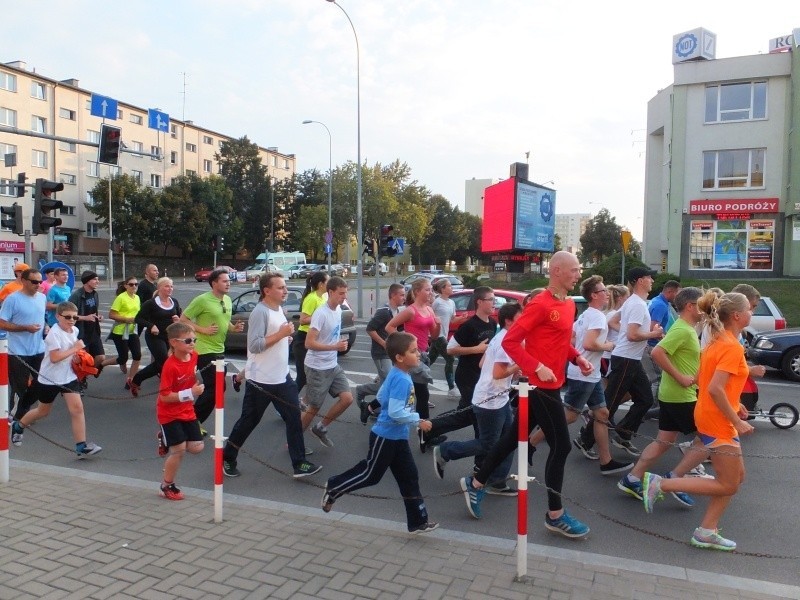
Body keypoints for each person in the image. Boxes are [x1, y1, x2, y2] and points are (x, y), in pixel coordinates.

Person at [460, 251, 593, 538]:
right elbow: (510, 341)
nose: (578, 275)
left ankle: (476, 483)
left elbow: (558, 342)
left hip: (551, 384)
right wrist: (537, 366)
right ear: (556, 271)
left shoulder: (569, 305)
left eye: (578, 270)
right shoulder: (541, 304)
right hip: (540, 387)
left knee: (511, 439)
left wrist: (577, 359)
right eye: (574, 270)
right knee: (562, 447)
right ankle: (555, 515)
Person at [641, 291, 758, 552]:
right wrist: (736, 421)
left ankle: (707, 530)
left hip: (711, 414)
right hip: (716, 420)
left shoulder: (718, 341)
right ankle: (662, 483)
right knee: (728, 482)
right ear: (737, 316)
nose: (752, 312)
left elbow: (709, 383)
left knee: (736, 478)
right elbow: (715, 389)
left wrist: (736, 406)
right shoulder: (730, 346)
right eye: (750, 309)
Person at [321, 331, 439, 534]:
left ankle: (418, 521)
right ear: (399, 358)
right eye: (413, 351)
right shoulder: (402, 379)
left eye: (417, 349)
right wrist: (418, 421)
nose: (418, 353)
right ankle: (334, 487)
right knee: (370, 475)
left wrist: (371, 406)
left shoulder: (399, 373)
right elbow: (394, 412)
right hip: (386, 437)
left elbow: (383, 394)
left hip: (397, 437)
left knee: (409, 476)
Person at [529, 275, 632, 476]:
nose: (607, 294)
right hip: (583, 374)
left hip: (589, 374)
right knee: (569, 416)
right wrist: (608, 345)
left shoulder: (586, 315)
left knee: (602, 414)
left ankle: (606, 461)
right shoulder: (597, 317)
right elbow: (588, 344)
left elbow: (573, 336)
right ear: (594, 295)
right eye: (603, 291)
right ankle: (530, 443)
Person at [222, 273, 321, 478]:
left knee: (294, 419)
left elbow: (273, 341)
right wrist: (281, 335)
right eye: (281, 288)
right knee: (249, 421)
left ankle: (299, 463)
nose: (285, 291)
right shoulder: (260, 312)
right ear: (267, 291)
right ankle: (227, 457)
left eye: (285, 287)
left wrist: (284, 340)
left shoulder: (278, 310)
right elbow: (255, 345)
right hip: (261, 380)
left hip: (282, 378)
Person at [618, 286, 707, 504]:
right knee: (709, 439)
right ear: (690, 306)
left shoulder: (687, 328)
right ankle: (675, 479)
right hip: (680, 395)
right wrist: (680, 377)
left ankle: (632, 478)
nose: (705, 309)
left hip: (676, 394)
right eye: (702, 305)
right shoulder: (683, 330)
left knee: (664, 441)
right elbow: (657, 352)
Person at [433, 302, 522, 494]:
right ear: (509, 321)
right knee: (488, 443)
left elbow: (483, 364)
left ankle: (496, 480)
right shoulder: (506, 341)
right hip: (490, 400)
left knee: (509, 439)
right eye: (520, 318)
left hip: (499, 398)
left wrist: (511, 371)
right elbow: (498, 374)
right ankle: (446, 451)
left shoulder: (502, 338)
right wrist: (518, 366)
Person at [579, 267, 664, 457]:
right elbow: (633, 335)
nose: (651, 280)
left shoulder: (634, 302)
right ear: (640, 280)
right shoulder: (637, 304)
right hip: (625, 359)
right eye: (649, 277)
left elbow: (615, 322)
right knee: (610, 403)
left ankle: (622, 434)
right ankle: (585, 440)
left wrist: (626, 332)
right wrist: (654, 334)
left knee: (645, 399)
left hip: (630, 359)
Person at [10, 301, 102, 457]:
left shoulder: (74, 330)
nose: (71, 320)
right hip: (49, 379)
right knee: (43, 411)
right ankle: (19, 426)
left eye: (74, 317)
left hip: (68, 377)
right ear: (58, 316)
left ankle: (81, 446)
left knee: (77, 409)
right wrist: (75, 349)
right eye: (67, 317)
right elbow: (54, 358)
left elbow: (71, 354)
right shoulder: (54, 333)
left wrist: (78, 358)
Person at [420, 287, 497, 454]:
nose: (494, 302)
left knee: (466, 413)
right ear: (480, 302)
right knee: (474, 414)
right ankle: (482, 454)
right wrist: (476, 349)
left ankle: (429, 428)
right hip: (467, 375)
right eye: (491, 299)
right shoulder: (469, 325)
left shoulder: (492, 323)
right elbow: (451, 349)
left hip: (482, 376)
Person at [180, 267, 244, 427]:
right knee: (216, 388)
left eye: (229, 280)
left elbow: (223, 319)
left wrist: (232, 328)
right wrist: (203, 330)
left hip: (219, 349)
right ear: (214, 283)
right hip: (204, 349)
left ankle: (192, 420)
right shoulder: (202, 300)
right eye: (224, 281)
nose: (228, 283)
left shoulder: (227, 300)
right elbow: (183, 319)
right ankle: (192, 423)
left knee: (216, 389)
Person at [301, 276, 353, 447]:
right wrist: (334, 347)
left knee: (347, 399)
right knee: (314, 407)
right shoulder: (320, 313)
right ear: (330, 292)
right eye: (341, 293)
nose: (344, 297)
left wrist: (338, 345)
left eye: (345, 293)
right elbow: (309, 343)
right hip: (317, 366)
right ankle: (295, 440)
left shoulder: (338, 310)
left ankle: (321, 427)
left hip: (332, 364)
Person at [156, 322, 205, 500]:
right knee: (179, 451)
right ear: (174, 342)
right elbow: (164, 396)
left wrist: (192, 387)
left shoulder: (194, 356)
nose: (192, 343)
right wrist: (190, 393)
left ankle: (164, 438)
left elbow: (190, 376)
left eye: (194, 340)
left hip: (186, 410)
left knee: (197, 447)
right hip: (168, 413)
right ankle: (166, 485)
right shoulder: (170, 366)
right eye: (188, 340)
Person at [386, 278, 441, 421]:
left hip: (423, 355)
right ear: (417, 292)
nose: (430, 293)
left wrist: (438, 325)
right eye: (427, 289)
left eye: (431, 289)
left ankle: (371, 407)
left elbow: (434, 335)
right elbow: (390, 327)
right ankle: (425, 431)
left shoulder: (429, 309)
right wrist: (404, 344)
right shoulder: (410, 311)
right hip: (410, 356)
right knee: (422, 393)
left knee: (409, 391)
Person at [0, 268, 46, 422]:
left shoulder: (42, 298)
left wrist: (45, 326)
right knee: (21, 387)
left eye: (40, 282)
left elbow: (39, 317)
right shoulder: (13, 299)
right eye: (34, 282)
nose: (38, 285)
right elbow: (2, 323)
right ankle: (19, 416)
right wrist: (25, 328)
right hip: (18, 351)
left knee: (44, 381)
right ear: (24, 281)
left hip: (39, 349)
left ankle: (21, 412)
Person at [356, 283, 406, 424]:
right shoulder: (384, 311)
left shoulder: (398, 312)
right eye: (401, 295)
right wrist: (383, 343)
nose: (404, 297)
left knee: (386, 383)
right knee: (389, 383)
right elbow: (370, 329)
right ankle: (362, 391)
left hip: (391, 353)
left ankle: (376, 408)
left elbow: (399, 331)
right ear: (393, 295)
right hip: (380, 353)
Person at [131, 277, 182, 395]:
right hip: (155, 336)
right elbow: (138, 318)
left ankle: (136, 380)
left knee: (161, 364)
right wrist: (151, 325)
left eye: (171, 286)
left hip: (170, 337)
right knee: (164, 361)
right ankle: (169, 390)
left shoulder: (174, 301)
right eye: (167, 286)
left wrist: (177, 320)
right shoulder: (151, 303)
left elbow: (179, 317)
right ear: (159, 288)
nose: (170, 289)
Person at [69, 271, 118, 377]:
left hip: (94, 331)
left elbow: (93, 311)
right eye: (95, 279)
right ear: (87, 281)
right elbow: (69, 316)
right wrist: (85, 318)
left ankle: (84, 375)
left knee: (100, 357)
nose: (98, 281)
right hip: (81, 333)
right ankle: (80, 380)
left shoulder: (95, 293)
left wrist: (98, 316)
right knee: (82, 360)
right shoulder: (76, 296)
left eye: (97, 279)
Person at [291, 272, 329, 402]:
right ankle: (288, 402)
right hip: (303, 340)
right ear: (321, 284)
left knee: (312, 375)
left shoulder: (323, 298)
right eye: (327, 281)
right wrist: (320, 317)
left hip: (314, 338)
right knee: (302, 375)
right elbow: (303, 320)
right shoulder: (311, 298)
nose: (329, 284)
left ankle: (304, 401)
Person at [427, 279, 466, 397]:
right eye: (449, 286)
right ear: (443, 289)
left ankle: (415, 373)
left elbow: (452, 319)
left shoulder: (451, 302)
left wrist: (462, 318)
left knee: (429, 359)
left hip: (444, 334)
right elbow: (429, 314)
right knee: (450, 359)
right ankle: (451, 387)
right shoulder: (437, 302)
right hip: (437, 335)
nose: (452, 288)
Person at [643, 280, 681, 402]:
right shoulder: (661, 305)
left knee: (655, 379)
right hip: (652, 346)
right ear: (670, 292)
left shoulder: (656, 300)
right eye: (677, 293)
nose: (678, 297)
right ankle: (651, 409)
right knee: (658, 379)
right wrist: (667, 339)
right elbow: (653, 328)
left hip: (649, 345)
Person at [109, 276, 142, 393]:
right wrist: (126, 319)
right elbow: (111, 315)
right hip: (120, 331)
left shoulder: (137, 297)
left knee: (137, 355)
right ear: (126, 286)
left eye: (136, 284)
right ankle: (102, 363)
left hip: (132, 330)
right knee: (123, 358)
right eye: (131, 284)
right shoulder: (121, 298)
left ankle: (130, 379)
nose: (134, 286)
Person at [136, 263, 159, 335]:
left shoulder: (155, 285)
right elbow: (138, 301)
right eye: (154, 271)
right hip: (144, 315)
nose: (157, 272)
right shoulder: (143, 285)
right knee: (137, 334)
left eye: (157, 270)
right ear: (147, 272)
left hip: (152, 314)